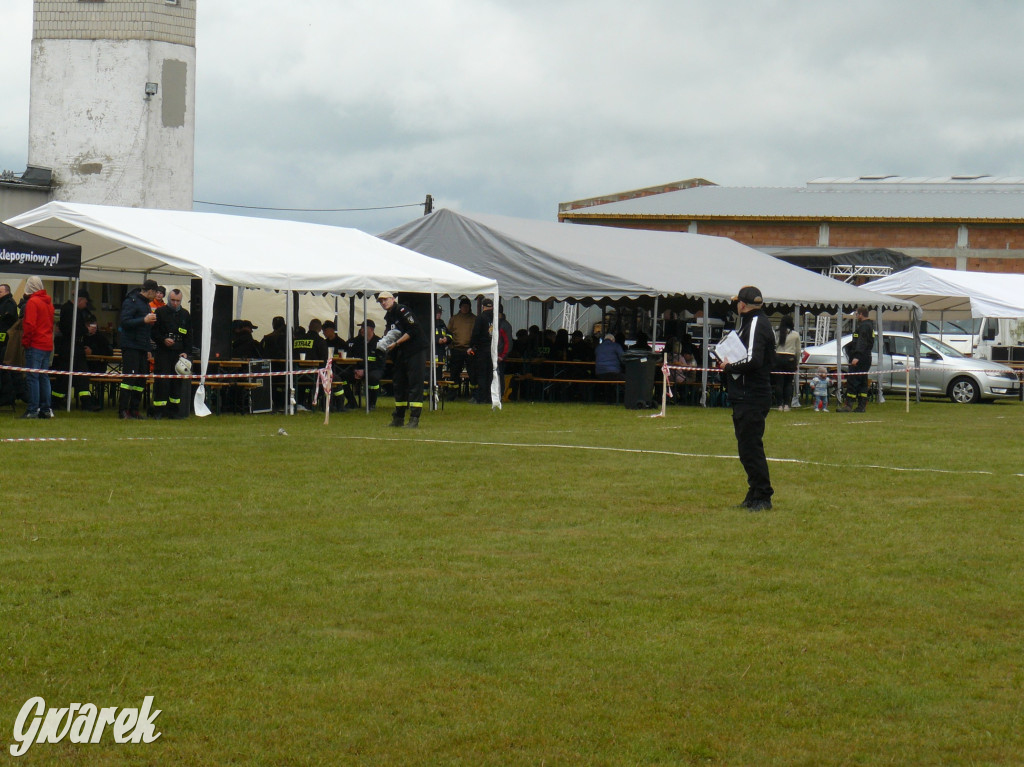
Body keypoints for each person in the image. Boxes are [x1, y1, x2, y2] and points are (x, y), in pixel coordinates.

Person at [718, 285, 776, 512]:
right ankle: (753, 493)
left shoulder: (755, 324)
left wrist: (729, 366)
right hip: (746, 394)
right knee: (746, 448)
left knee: (751, 447)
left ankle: (763, 495)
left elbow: (753, 360)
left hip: (751, 395)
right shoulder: (754, 323)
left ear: (742, 304)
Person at [377, 291, 428, 428]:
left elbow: (414, 330)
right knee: (399, 383)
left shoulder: (402, 310)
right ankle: (398, 417)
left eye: (385, 299)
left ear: (393, 299)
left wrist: (397, 343)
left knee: (414, 384)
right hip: (402, 352)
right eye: (381, 301)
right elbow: (391, 332)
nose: (383, 303)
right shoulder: (389, 316)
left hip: (415, 350)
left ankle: (414, 419)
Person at [118, 279, 159, 419]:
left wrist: (148, 349)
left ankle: (134, 409)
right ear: (150, 291)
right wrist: (144, 320)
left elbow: (145, 330)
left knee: (141, 380)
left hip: (142, 347)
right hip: (131, 346)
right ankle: (122, 410)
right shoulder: (132, 301)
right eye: (155, 292)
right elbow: (125, 322)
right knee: (129, 379)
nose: (156, 296)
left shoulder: (146, 305)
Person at [150, 288, 192, 419]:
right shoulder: (160, 312)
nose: (175, 303)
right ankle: (159, 411)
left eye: (178, 301)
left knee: (176, 382)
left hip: (179, 353)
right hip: (163, 351)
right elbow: (153, 332)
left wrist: (186, 352)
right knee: (162, 381)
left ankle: (174, 411)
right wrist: (163, 340)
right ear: (168, 299)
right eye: (173, 300)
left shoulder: (185, 314)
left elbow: (189, 336)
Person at [20, 276, 55, 419]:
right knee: (43, 377)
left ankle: (33, 409)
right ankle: (46, 408)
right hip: (47, 344)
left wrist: (26, 342)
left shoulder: (33, 302)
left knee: (33, 377)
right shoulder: (48, 303)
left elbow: (29, 325)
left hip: (35, 343)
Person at [342, 319, 385, 410]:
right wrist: (355, 370)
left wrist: (364, 371)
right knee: (342, 376)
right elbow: (351, 357)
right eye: (361, 328)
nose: (361, 330)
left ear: (371, 329)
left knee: (373, 378)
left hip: (373, 370)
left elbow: (380, 363)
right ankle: (352, 402)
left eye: (364, 328)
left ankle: (371, 403)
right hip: (357, 370)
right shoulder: (357, 342)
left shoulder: (380, 342)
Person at [839, 306, 875, 413]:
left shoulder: (864, 327)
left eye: (856, 314)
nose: (856, 316)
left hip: (860, 358)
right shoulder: (869, 326)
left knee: (853, 381)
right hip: (866, 358)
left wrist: (856, 357)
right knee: (863, 382)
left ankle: (849, 405)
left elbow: (862, 342)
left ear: (860, 314)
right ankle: (861, 406)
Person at [467, 298, 498, 404]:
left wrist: (471, 346)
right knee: (491, 374)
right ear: (492, 307)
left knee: (481, 374)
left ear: (483, 307)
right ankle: (490, 398)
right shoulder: (495, 318)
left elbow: (476, 333)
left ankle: (481, 397)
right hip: (493, 350)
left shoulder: (481, 318)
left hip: (482, 350)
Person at [446, 298, 475, 399]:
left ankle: (474, 395)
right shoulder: (454, 319)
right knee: (454, 373)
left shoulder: (474, 319)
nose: (465, 308)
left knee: (472, 372)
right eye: (463, 306)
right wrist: (450, 345)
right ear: (460, 307)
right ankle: (452, 395)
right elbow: (448, 332)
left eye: (467, 306)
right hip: (456, 349)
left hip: (469, 350)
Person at [0, 283, 21, 407]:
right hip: (3, 342)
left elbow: (7, 320)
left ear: (7, 292)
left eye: (0, 292)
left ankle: (8, 396)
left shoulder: (9, 304)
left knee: (5, 371)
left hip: (6, 344)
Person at [774, 314, 800, 412]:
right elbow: (798, 350)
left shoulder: (777, 333)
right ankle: (786, 405)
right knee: (788, 382)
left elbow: (774, 346)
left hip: (778, 357)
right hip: (790, 358)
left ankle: (779, 405)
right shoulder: (795, 335)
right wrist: (796, 362)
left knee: (779, 383)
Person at [594, 333, 624, 403]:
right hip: (613, 373)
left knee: (608, 382)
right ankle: (625, 399)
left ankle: (608, 399)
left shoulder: (598, 347)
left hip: (599, 373)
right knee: (628, 379)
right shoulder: (616, 346)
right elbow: (623, 358)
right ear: (613, 340)